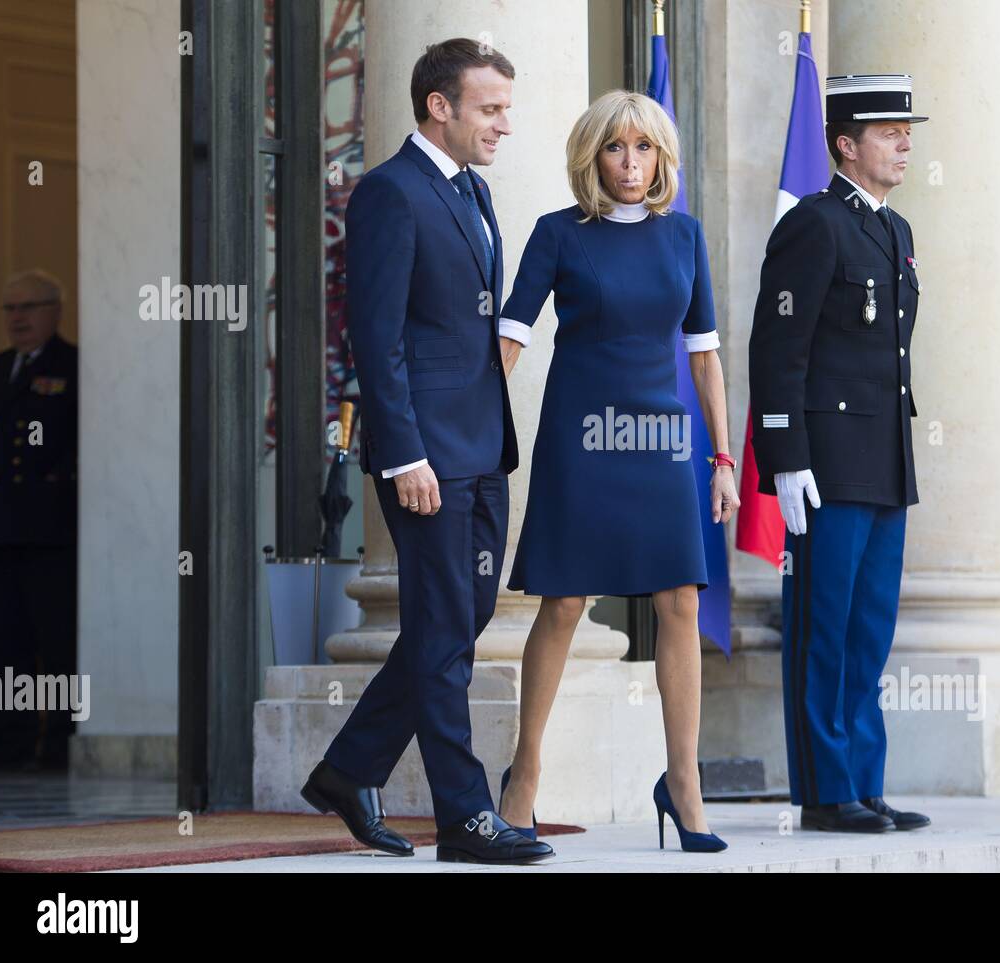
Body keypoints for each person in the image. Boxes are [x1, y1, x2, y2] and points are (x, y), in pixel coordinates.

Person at [301, 38, 553, 864]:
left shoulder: (473, 190)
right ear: (439, 106)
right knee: (443, 629)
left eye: (506, 109)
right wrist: (402, 452)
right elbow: (376, 340)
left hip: (482, 447)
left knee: (463, 618)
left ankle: (349, 768)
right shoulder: (387, 194)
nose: (504, 124)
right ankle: (464, 816)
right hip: (427, 456)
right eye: (490, 108)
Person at [495, 90, 738, 853]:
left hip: (662, 440)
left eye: (644, 148)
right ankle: (524, 775)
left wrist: (723, 459)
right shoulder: (558, 235)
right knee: (564, 602)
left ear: (661, 158)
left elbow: (705, 357)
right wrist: (455, 432)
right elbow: (508, 339)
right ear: (591, 157)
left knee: (679, 603)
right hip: (581, 435)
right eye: (615, 148)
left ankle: (683, 781)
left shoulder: (685, 237)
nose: (631, 163)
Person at [747, 74, 931, 833]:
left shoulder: (895, 230)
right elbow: (777, 346)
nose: (906, 141)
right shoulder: (814, 225)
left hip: (882, 458)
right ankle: (825, 791)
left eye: (906, 129)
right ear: (846, 145)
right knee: (823, 625)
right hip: (823, 463)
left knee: (869, 627)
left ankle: (864, 779)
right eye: (889, 131)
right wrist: (784, 456)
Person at [0, 269, 78, 771]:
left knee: (55, 643)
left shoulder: (73, 366)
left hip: (50, 530)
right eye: (9, 309)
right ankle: (10, 740)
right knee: (3, 645)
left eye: (29, 307)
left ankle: (58, 742)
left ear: (54, 311)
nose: (18, 318)